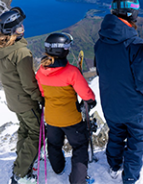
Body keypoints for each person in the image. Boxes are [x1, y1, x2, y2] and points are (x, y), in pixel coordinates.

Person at [94, 0, 143, 184]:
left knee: (116, 134)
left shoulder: (100, 43)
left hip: (110, 103)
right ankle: (130, 177)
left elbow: (101, 71)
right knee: (136, 140)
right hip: (133, 107)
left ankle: (114, 166)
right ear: (132, 14)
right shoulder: (134, 45)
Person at [0, 7, 43, 184]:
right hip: (26, 101)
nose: (22, 28)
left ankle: (22, 161)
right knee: (37, 134)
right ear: (11, 31)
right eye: (18, 27)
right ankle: (21, 173)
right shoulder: (21, 52)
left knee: (25, 129)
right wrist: (40, 97)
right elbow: (28, 83)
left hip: (13, 100)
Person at [35, 32, 96, 184]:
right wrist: (90, 102)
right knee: (80, 146)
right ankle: (78, 180)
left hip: (52, 118)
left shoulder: (41, 71)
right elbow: (86, 95)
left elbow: (41, 93)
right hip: (71, 120)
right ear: (65, 50)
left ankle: (57, 168)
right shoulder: (72, 72)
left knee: (54, 144)